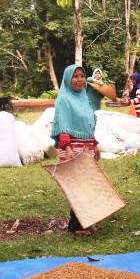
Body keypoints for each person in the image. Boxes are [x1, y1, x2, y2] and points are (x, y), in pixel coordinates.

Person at [52, 64, 99, 234]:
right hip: (72, 146)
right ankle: (76, 225)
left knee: (87, 185)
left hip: (87, 146)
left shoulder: (84, 98)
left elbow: (88, 124)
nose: (80, 80)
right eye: (76, 76)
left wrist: (95, 144)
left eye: (82, 76)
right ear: (67, 79)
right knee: (77, 187)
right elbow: (63, 124)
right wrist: (68, 147)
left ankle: (84, 221)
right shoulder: (64, 99)